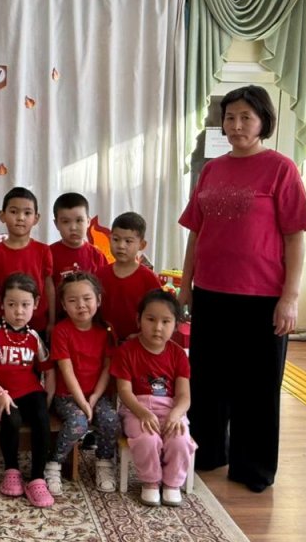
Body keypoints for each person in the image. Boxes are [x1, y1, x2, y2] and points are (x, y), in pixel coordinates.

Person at [178, 85, 306, 493]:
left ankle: (253, 467)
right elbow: (195, 233)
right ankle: (207, 453)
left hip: (263, 297)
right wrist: (186, 286)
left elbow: (295, 237)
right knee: (208, 379)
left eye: (246, 118)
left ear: (263, 122)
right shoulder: (212, 170)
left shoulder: (281, 169)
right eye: (230, 117)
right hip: (211, 291)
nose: (236, 125)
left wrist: (290, 297)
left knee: (257, 386)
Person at [0, 272, 56, 508]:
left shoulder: (33, 336)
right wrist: (0, 393)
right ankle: (11, 468)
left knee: (41, 417)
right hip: (0, 393)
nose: (18, 311)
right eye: (11, 305)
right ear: (1, 304)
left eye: (25, 305)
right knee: (12, 419)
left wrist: (49, 397)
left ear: (36, 304)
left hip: (30, 391)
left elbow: (49, 369)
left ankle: (38, 477)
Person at [112, 289, 195, 507]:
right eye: (151, 319)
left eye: (165, 321)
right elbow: (124, 391)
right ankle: (150, 481)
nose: (158, 327)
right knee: (147, 439)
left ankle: (172, 483)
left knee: (180, 439)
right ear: (138, 320)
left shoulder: (178, 355)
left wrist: (176, 415)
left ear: (176, 325)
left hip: (170, 409)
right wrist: (142, 413)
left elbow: (184, 395)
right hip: (136, 409)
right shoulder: (126, 351)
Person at [44, 272, 119, 495]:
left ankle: (104, 462)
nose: (81, 305)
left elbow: (107, 369)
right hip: (67, 396)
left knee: (110, 419)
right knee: (78, 422)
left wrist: (94, 398)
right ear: (63, 305)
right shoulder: (61, 331)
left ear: (98, 300)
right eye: (73, 300)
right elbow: (66, 372)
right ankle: (54, 463)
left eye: (87, 298)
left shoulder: (106, 330)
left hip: (97, 394)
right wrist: (83, 403)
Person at [0, 188, 55, 335]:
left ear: (36, 218)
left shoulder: (43, 251)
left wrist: (52, 321)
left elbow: (49, 286)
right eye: (14, 212)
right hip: (3, 325)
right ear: (2, 216)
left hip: (37, 324)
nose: (20, 217)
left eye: (27, 213)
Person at [95, 212, 165, 341]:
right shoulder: (99, 274)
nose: (121, 246)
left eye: (128, 241)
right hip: (103, 341)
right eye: (116, 239)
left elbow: (160, 311)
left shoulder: (148, 278)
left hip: (137, 342)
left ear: (142, 245)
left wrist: (142, 335)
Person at [49, 192, 108, 291]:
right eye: (66, 222)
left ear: (88, 222)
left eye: (79, 220)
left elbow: (104, 289)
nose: (73, 227)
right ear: (56, 224)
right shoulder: (48, 254)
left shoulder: (97, 256)